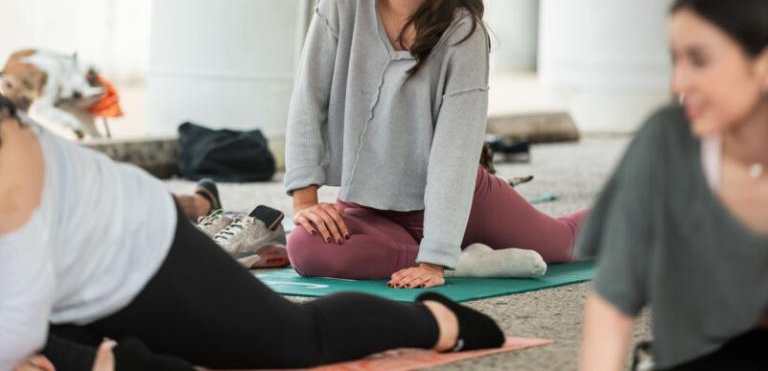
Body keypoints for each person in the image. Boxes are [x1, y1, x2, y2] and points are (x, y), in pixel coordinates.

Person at [0, 94, 505, 371]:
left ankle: (437, 322)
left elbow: (17, 326)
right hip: (56, 296)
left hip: (137, 251)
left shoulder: (8, 157)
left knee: (292, 343)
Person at [285, 0, 587, 289]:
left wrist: (435, 257)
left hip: (455, 203)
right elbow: (309, 96)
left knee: (564, 243)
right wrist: (305, 199)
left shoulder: (462, 34)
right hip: (366, 205)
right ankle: (471, 262)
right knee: (306, 247)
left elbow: (455, 153)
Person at [578, 0, 768, 370]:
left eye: (699, 60)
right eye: (675, 59)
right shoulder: (665, 142)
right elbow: (612, 306)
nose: (679, 82)